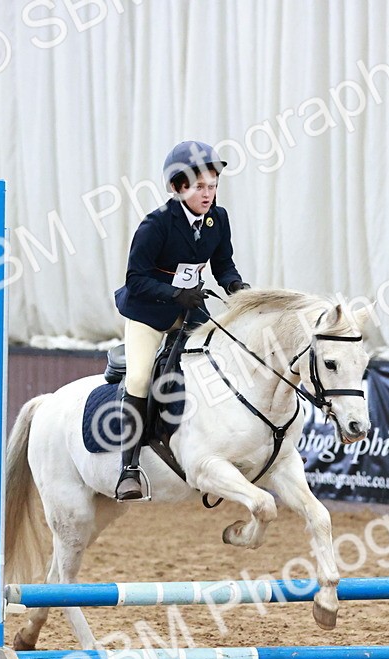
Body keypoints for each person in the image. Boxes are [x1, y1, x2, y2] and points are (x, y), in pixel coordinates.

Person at [112, 140, 250, 501]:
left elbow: (222, 264)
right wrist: (174, 295)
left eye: (213, 185)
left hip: (191, 309)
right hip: (148, 312)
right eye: (200, 187)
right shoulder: (155, 225)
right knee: (141, 376)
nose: (209, 193)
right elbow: (135, 279)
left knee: (218, 363)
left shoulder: (216, 218)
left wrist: (236, 285)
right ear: (178, 187)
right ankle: (128, 468)